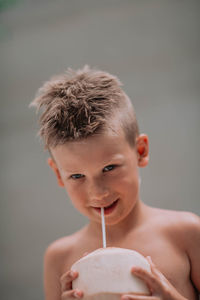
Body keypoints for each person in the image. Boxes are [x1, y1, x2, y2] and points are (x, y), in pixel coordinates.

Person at [30, 66, 200, 300]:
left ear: (140, 151)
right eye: (77, 176)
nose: (97, 193)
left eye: (109, 168)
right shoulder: (58, 258)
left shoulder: (186, 233)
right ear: (58, 174)